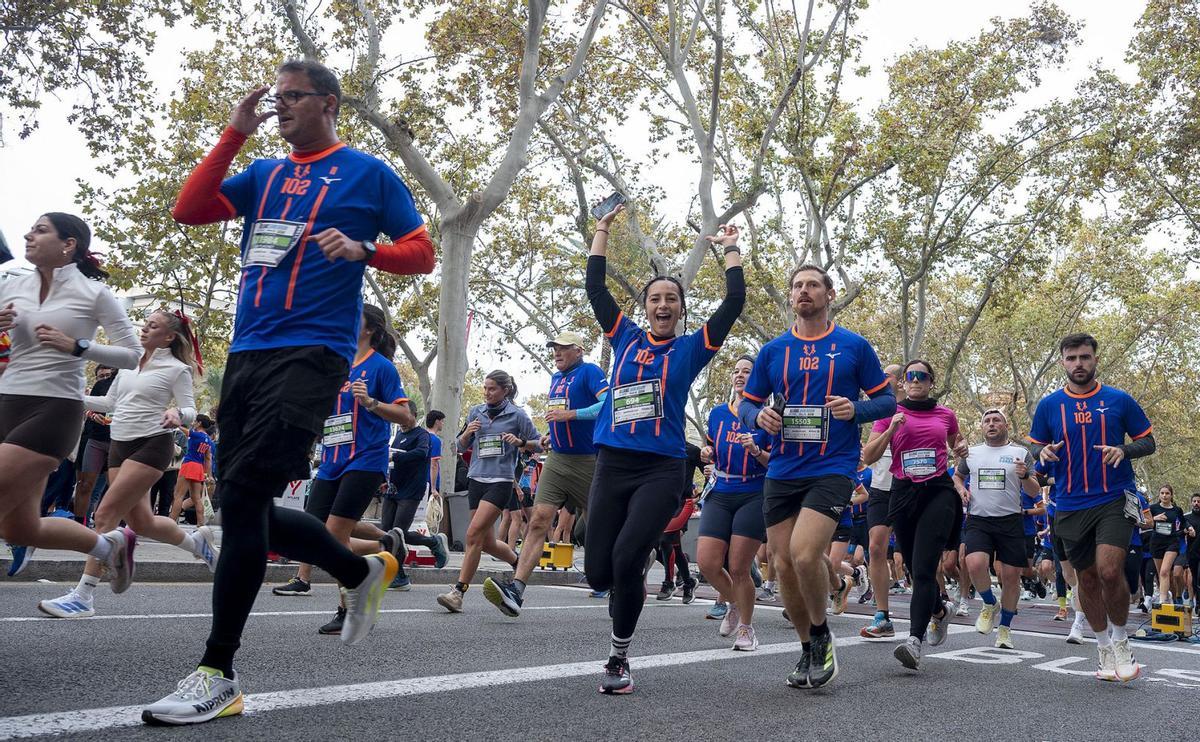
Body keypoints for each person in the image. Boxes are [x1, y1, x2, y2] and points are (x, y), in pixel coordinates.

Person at [143, 59, 435, 725]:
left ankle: (217, 671)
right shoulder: (265, 173)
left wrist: (366, 250)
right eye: (274, 99)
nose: (280, 107)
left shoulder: (367, 173)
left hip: (313, 352)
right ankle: (358, 571)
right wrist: (233, 134)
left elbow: (421, 251)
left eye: (292, 97)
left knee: (244, 500)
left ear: (329, 103)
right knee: (242, 508)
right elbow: (189, 210)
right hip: (247, 353)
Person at [585, 205, 744, 695]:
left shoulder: (693, 348)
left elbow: (733, 303)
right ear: (646, 305)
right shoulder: (625, 336)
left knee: (630, 555)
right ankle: (623, 593)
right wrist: (601, 230)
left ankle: (618, 657)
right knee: (598, 571)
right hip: (613, 462)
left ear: (680, 308)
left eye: (671, 299)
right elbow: (595, 288)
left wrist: (733, 250)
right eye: (655, 298)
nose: (662, 304)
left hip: (661, 468)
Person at [737, 264, 894, 690]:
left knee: (806, 554)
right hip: (783, 468)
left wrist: (855, 409)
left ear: (829, 293)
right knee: (781, 561)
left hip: (833, 466)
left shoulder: (854, 347)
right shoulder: (773, 351)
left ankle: (822, 632)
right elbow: (745, 406)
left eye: (812, 285)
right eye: (797, 286)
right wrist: (759, 415)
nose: (803, 291)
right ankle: (808, 645)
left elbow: (887, 401)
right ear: (791, 296)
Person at [39, 310, 219, 618]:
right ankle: (197, 544)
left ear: (169, 337)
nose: (145, 328)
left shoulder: (177, 369)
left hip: (151, 444)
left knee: (106, 514)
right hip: (118, 445)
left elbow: (189, 408)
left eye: (153, 325)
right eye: (145, 323)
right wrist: (74, 396)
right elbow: (110, 404)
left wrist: (178, 415)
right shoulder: (129, 364)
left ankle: (84, 595)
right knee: (142, 523)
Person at [0, 212, 141, 587]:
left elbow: (132, 354)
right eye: (30, 228)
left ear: (69, 245)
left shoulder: (93, 293)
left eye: (40, 230)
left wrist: (77, 346)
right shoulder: (12, 287)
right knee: (21, 528)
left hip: (54, 408)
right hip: (8, 402)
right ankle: (109, 548)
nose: (28, 235)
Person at [270, 304, 416, 635]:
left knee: (336, 532)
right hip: (332, 461)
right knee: (313, 531)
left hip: (366, 458)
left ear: (368, 330)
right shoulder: (336, 365)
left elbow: (407, 418)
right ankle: (376, 561)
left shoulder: (381, 368)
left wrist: (372, 404)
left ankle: (349, 607)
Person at [1028, 332, 1155, 683]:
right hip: (1068, 504)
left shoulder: (1119, 400)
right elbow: (1035, 452)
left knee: (1110, 571)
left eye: (1085, 357)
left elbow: (1148, 441)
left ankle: (1121, 641)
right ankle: (1102, 645)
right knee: (1085, 577)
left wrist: (1124, 450)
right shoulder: (1049, 406)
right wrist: (1041, 455)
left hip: (1114, 498)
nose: (1078, 364)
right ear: (1063, 363)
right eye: (1071, 358)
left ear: (1096, 359)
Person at [482, 334, 609, 617]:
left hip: (589, 461)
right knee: (538, 520)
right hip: (557, 460)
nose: (557, 353)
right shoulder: (556, 378)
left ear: (579, 350)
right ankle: (517, 590)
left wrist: (572, 415)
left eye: (563, 348)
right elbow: (558, 416)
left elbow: (608, 404)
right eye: (554, 348)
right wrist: (551, 436)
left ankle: (626, 569)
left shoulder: (590, 372)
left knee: (600, 526)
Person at [864, 360, 966, 671]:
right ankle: (938, 609)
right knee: (910, 566)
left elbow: (956, 442)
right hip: (904, 493)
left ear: (931, 382)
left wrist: (961, 448)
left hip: (938, 492)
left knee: (923, 568)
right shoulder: (889, 415)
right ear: (904, 383)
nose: (916, 381)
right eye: (911, 376)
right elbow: (867, 457)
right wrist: (892, 429)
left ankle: (913, 641)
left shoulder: (945, 414)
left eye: (922, 376)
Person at [436, 370, 539, 613]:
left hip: (500, 482)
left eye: (492, 389)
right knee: (486, 541)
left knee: (472, 535)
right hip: (476, 479)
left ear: (505, 390)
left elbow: (538, 441)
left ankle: (458, 593)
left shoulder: (517, 415)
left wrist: (520, 443)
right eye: (485, 388)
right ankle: (517, 562)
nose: (487, 393)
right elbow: (458, 447)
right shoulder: (476, 412)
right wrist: (467, 433)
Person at [696, 355, 769, 650]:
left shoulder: (768, 416)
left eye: (747, 372)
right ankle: (735, 603)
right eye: (737, 371)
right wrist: (706, 452)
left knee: (739, 567)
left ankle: (747, 629)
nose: (740, 376)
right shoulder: (717, 414)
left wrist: (756, 452)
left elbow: (775, 461)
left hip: (753, 491)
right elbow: (713, 447)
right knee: (707, 563)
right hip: (720, 489)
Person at [953, 408, 1040, 649]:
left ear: (1005, 426)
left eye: (996, 420)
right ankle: (989, 603)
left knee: (1011, 577)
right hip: (979, 519)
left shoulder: (1020, 453)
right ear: (982, 427)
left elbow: (1034, 491)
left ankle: (1005, 629)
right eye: (987, 421)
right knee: (974, 564)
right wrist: (961, 489)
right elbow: (958, 477)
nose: (992, 424)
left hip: (1010, 521)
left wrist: (1024, 476)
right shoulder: (971, 454)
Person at [861, 364, 904, 637]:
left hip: (910, 487)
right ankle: (882, 616)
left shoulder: (917, 408)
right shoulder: (881, 413)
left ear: (899, 382)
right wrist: (890, 428)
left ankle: (937, 606)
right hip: (880, 488)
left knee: (912, 553)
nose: (880, 379)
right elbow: (868, 455)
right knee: (876, 548)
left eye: (886, 375)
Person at [73, 364, 116, 524]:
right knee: (84, 485)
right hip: (96, 439)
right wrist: (93, 414)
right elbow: (88, 406)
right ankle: (78, 525)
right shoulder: (101, 385)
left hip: (119, 441)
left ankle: (113, 527)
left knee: (116, 488)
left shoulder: (133, 385)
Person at [172, 415, 214, 525]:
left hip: (189, 464)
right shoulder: (208, 440)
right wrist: (208, 474)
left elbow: (184, 430)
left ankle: (171, 522)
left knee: (178, 496)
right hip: (199, 468)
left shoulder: (196, 435)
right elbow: (208, 458)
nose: (193, 423)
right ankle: (201, 524)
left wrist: (177, 424)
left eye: (195, 421)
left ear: (199, 423)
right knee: (196, 498)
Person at [1149, 484, 1185, 606]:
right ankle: (1170, 596)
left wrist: (1189, 528)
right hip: (1156, 543)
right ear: (1159, 495)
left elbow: (1184, 523)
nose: (1164, 495)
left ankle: (1162, 602)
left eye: (1167, 493)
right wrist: (1154, 518)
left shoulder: (1177, 510)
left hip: (1172, 543)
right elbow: (1143, 523)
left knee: (1164, 571)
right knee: (1163, 575)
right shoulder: (1152, 508)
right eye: (1162, 493)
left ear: (1171, 495)